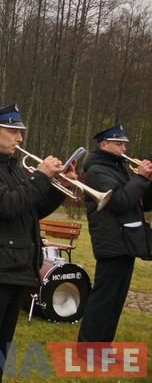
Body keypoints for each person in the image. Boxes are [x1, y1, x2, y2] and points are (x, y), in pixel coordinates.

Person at [0, 103, 74, 383]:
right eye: (14, 132)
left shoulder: (13, 168)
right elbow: (8, 205)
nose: (20, 139)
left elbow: (30, 208)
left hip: (17, 265)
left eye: (20, 132)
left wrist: (60, 187)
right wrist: (41, 175)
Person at [77, 124, 152, 344]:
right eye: (118, 143)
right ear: (104, 144)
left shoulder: (120, 168)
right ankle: (88, 347)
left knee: (116, 299)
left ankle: (103, 346)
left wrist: (146, 183)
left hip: (127, 240)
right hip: (111, 241)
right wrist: (139, 179)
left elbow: (141, 204)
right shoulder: (97, 170)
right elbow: (119, 202)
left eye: (124, 144)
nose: (123, 148)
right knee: (103, 299)